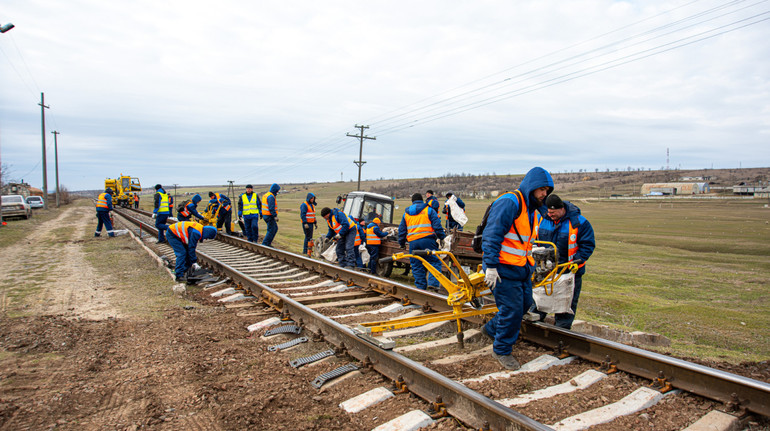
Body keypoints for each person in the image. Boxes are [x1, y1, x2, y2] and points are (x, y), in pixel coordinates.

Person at [481, 167, 554, 370]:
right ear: (531, 187)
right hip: (503, 268)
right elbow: (492, 235)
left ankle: (490, 330)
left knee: (524, 305)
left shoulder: (532, 209)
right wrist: (492, 267)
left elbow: (523, 240)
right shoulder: (510, 202)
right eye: (541, 189)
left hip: (521, 268)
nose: (544, 194)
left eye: (547, 190)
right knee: (511, 309)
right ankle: (502, 349)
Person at [532, 194, 595, 329]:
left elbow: (588, 245)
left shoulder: (579, 223)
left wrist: (578, 261)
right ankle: (533, 324)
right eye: (548, 211)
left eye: (553, 212)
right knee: (538, 299)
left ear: (562, 209)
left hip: (569, 270)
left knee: (566, 303)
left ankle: (562, 331)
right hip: (545, 270)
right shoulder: (541, 219)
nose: (550, 214)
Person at [397, 193, 446, 291]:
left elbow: (401, 231)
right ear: (422, 200)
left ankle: (420, 288)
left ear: (412, 202)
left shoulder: (406, 214)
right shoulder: (429, 210)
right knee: (434, 261)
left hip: (413, 243)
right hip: (428, 241)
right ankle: (433, 284)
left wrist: (401, 244)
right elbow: (437, 226)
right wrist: (441, 237)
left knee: (416, 264)